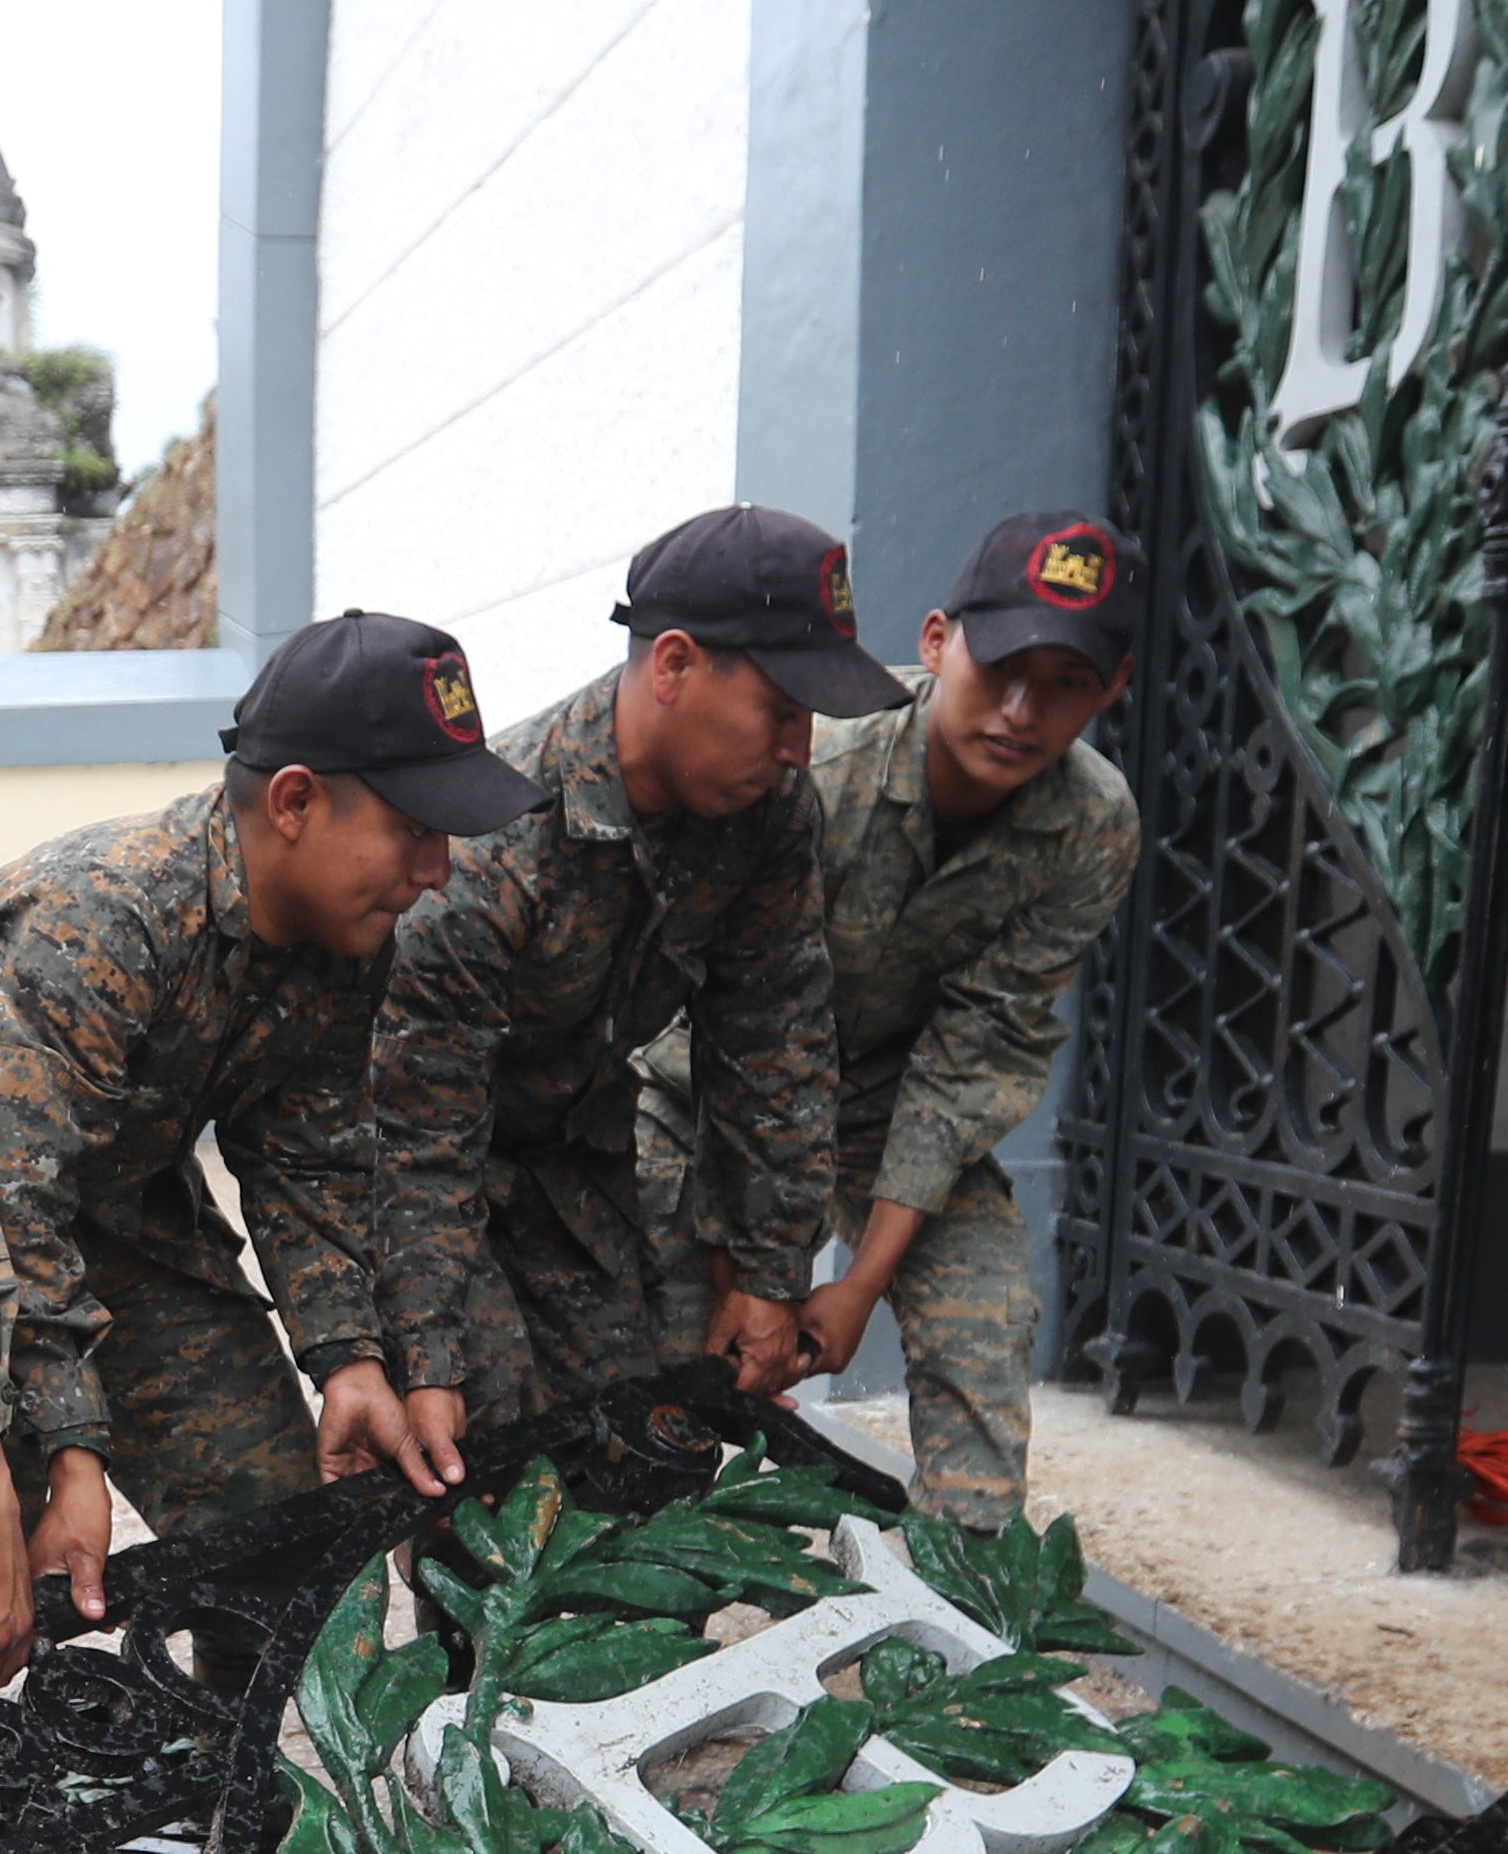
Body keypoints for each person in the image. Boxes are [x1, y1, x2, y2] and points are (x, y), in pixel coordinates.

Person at [0, 608, 532, 1600]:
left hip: (117, 1222)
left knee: (294, 1556)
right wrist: (74, 1452)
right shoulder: (111, 915)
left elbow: (309, 1164)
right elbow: (3, 1202)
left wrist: (350, 1364)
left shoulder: (346, 942)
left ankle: (214, 1758)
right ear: (293, 802)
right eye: (415, 831)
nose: (437, 872)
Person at [363, 504, 894, 1456]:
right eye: (782, 709)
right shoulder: (494, 843)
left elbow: (776, 1043)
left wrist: (767, 1277)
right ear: (675, 664)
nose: (800, 749)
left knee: (642, 1456)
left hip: (578, 1165)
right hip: (430, 1177)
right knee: (488, 1478)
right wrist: (429, 1358)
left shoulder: (768, 815)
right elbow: (418, 1142)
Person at [654, 510, 1142, 1521]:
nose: (1019, 709)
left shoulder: (1093, 827)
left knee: (987, 1315)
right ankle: (651, 1614)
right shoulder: (815, 769)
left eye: (1068, 684)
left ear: (1114, 689)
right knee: (676, 1347)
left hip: (890, 1107)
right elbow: (711, 1022)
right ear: (935, 642)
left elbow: (977, 1052)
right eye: (1000, 664)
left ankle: (952, 1642)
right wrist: (755, 1275)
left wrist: (859, 1283)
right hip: (702, 1085)